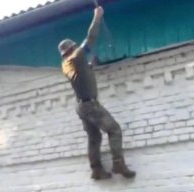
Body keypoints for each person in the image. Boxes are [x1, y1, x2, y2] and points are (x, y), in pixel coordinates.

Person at [58, 6, 136, 180]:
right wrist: (97, 17)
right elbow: (91, 37)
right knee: (114, 129)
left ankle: (96, 169)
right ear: (72, 48)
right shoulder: (76, 57)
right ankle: (118, 164)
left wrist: (91, 66)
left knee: (94, 137)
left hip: (80, 106)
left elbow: (81, 75)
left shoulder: (67, 64)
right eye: (75, 46)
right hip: (90, 105)